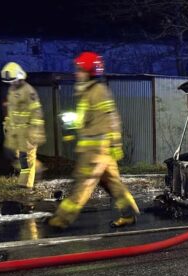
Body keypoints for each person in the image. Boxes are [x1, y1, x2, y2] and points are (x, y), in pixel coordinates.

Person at [47, 51, 139, 229]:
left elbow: (111, 118)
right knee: (112, 184)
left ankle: (61, 219)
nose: (77, 73)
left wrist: (115, 144)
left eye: (80, 69)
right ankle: (128, 215)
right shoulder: (88, 91)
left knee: (81, 183)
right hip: (98, 148)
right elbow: (91, 118)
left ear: (89, 72)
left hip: (96, 150)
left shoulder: (98, 91)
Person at [1, 62, 46, 189]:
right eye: (10, 82)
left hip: (27, 130)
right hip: (17, 131)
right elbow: (11, 110)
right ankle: (37, 168)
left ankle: (25, 186)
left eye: (14, 80)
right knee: (16, 156)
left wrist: (34, 133)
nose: (11, 83)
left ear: (20, 77)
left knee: (26, 159)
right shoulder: (12, 90)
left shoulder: (29, 91)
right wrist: (8, 125)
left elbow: (37, 113)